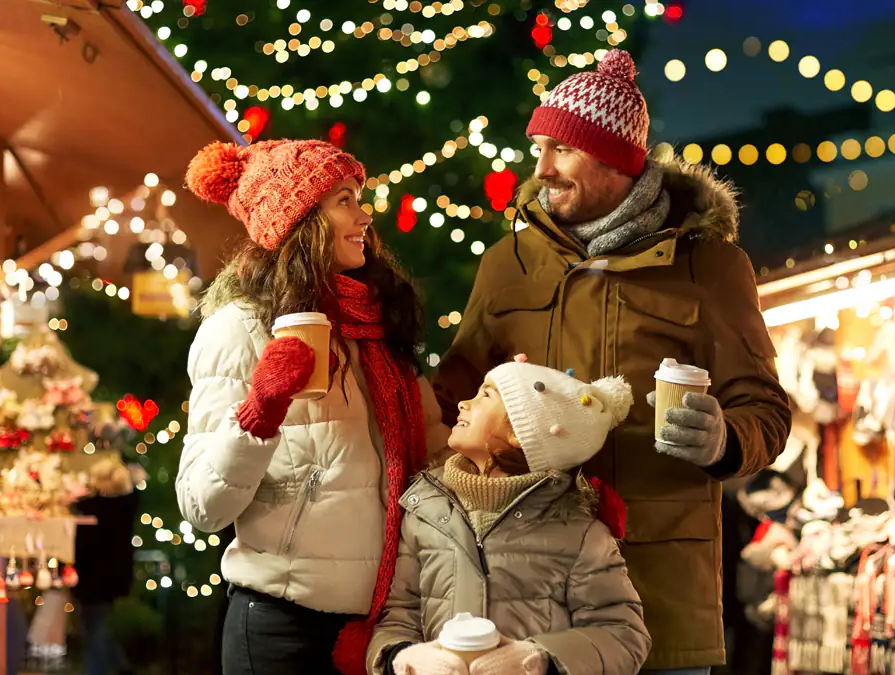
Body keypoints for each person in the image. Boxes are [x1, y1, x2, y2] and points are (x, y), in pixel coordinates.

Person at [433, 49, 791, 673]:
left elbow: (765, 410)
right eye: (537, 148)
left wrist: (722, 440)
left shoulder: (708, 266)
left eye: (560, 150)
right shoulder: (506, 263)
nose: (540, 169)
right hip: (529, 599)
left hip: (658, 595)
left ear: (617, 160)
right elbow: (448, 405)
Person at [178, 139, 451, 675]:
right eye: (344, 200)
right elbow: (201, 506)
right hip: (283, 627)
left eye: (359, 198)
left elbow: (434, 460)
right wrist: (261, 411)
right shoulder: (238, 329)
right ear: (299, 221)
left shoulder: (378, 323)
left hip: (385, 624)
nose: (364, 215)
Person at [369, 357, 651, 675]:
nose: (463, 403)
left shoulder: (579, 531)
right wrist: (402, 659)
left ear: (521, 432)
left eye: (485, 395)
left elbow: (623, 634)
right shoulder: (425, 510)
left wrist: (540, 660)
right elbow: (399, 616)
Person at [73, 458, 141, 675]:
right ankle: (123, 668)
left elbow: (82, 546)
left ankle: (110, 669)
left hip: (92, 580)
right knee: (101, 630)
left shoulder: (92, 511)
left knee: (95, 633)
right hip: (115, 579)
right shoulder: (126, 509)